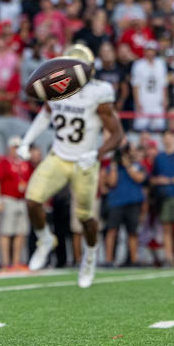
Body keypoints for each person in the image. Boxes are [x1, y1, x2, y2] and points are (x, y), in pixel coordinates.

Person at [17, 44, 123, 288]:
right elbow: (45, 115)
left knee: (86, 218)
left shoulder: (99, 92)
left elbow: (117, 134)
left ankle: (90, 256)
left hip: (84, 161)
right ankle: (45, 240)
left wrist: (97, 153)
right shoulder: (57, 89)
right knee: (32, 200)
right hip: (59, 156)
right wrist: (26, 141)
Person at [0, 136, 33, 270]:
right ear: (10, 148)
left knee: (20, 232)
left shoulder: (26, 163)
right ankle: (5, 262)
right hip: (8, 199)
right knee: (6, 232)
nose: (17, 150)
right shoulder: (4, 162)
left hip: (22, 200)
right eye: (15, 147)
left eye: (19, 147)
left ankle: (15, 262)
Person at [104, 144, 146, 266]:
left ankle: (134, 260)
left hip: (133, 203)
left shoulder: (137, 165)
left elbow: (139, 179)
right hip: (116, 203)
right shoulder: (114, 167)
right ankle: (108, 260)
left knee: (132, 233)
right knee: (111, 231)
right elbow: (111, 182)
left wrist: (128, 165)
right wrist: (114, 165)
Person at [151, 130, 174, 267]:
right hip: (164, 197)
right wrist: (159, 180)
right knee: (166, 228)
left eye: (170, 138)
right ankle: (168, 258)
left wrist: (171, 180)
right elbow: (153, 178)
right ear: (162, 140)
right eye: (165, 138)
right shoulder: (159, 157)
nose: (168, 140)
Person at [131, 41, 168, 131]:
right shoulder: (138, 65)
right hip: (144, 100)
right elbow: (135, 85)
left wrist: (165, 99)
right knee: (141, 125)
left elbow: (163, 84)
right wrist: (137, 102)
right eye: (148, 50)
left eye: (152, 50)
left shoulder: (161, 64)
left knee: (159, 125)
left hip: (157, 100)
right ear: (144, 51)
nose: (150, 52)